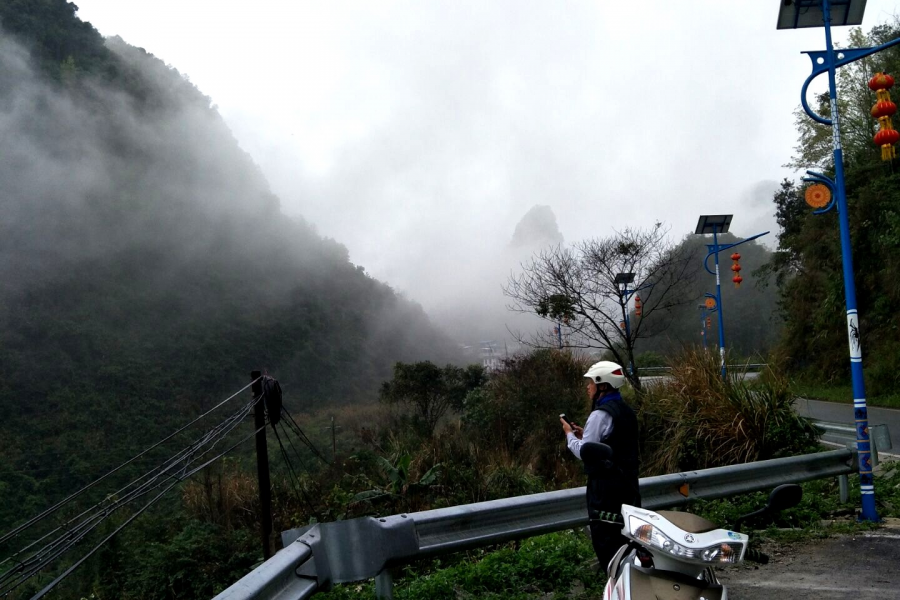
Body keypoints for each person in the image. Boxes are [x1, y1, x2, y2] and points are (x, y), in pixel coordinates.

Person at [560, 360, 641, 574]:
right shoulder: (626, 411)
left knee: (607, 543)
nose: (587, 387)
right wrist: (583, 436)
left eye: (591, 383)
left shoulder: (599, 415)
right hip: (629, 486)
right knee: (627, 540)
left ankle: (617, 587)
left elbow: (585, 452)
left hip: (605, 491)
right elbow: (611, 443)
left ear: (602, 385)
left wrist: (570, 435)